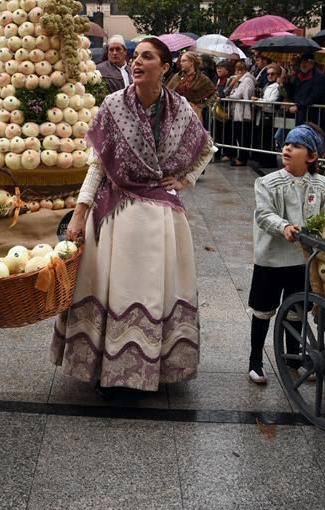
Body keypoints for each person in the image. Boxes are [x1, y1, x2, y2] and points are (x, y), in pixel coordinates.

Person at [52, 37, 217, 394]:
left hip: (162, 219)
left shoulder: (181, 108)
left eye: (147, 57)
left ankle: (153, 367)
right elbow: (97, 167)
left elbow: (205, 148)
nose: (137, 62)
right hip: (117, 216)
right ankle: (107, 366)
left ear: (165, 66)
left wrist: (184, 179)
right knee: (114, 290)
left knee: (157, 292)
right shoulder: (113, 105)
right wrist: (79, 215)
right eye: (135, 57)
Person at [247, 123, 325, 384]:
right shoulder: (267, 182)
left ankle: (292, 358)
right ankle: (255, 360)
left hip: (303, 260)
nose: (287, 148)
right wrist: (283, 226)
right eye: (287, 143)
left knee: (297, 310)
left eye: (296, 145)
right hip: (271, 259)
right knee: (263, 311)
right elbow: (264, 215)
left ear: (311, 156)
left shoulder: (323, 185)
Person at [166, 50, 216, 121]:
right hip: (176, 113)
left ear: (191, 62)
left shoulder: (201, 78)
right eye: (181, 61)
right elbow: (168, 92)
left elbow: (214, 94)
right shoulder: (177, 76)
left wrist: (202, 106)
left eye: (184, 61)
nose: (181, 63)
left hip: (193, 114)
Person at [285, 53, 325, 127]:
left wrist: (299, 106)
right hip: (300, 115)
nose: (303, 64)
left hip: (314, 116)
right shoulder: (297, 75)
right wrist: (287, 83)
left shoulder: (319, 77)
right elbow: (292, 94)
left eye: (306, 61)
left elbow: (315, 96)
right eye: (302, 61)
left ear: (312, 63)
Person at [226, 57, 256, 166]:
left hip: (244, 112)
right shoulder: (240, 80)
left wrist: (230, 95)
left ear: (240, 70)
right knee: (239, 134)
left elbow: (238, 94)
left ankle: (243, 158)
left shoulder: (247, 80)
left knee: (244, 136)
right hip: (238, 111)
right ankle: (240, 156)